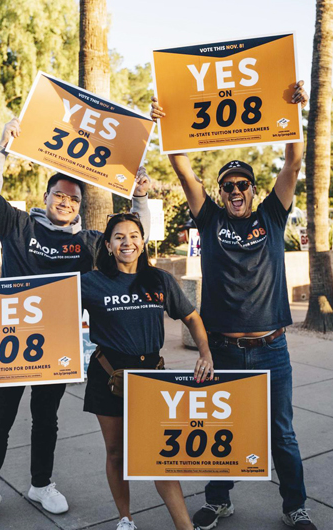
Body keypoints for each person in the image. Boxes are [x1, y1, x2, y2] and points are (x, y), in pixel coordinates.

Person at [0, 118, 152, 530]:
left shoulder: (90, 243)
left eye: (73, 199)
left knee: (47, 418)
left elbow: (134, 238)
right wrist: (1, 149)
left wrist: (139, 197)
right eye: (58, 195)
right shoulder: (18, 224)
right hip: (9, 340)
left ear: (79, 206)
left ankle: (40, 485)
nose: (65, 202)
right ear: (45, 196)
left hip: (55, 344)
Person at [151, 82, 316, 530]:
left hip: (271, 348)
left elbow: (293, 161)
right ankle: (219, 499)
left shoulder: (271, 214)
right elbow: (186, 173)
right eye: (228, 186)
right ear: (222, 193)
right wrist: (168, 123)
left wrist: (292, 113)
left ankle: (294, 507)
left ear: (253, 188)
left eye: (242, 184)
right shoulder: (211, 218)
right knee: (215, 427)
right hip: (223, 349)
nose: (235, 190)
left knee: (281, 433)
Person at [81, 213, 214, 530]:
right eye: (119, 236)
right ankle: (125, 518)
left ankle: (185, 527)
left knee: (161, 456)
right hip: (107, 374)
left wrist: (206, 352)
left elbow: (192, 317)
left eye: (133, 235)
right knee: (116, 453)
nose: (127, 241)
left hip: (152, 377)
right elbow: (45, 302)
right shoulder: (90, 282)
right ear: (109, 245)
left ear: (143, 241)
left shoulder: (160, 280)